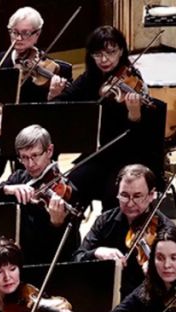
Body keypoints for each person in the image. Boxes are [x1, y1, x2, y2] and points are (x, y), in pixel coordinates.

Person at [57, 26, 167, 211]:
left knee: (114, 193)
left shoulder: (133, 81)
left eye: (111, 52)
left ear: (121, 51)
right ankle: (71, 227)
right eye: (98, 54)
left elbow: (143, 142)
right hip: (103, 154)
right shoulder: (90, 79)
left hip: (131, 157)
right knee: (71, 185)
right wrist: (54, 93)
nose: (104, 59)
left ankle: (111, 228)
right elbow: (63, 103)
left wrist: (134, 116)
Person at [0, 124, 83, 265]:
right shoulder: (18, 178)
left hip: (45, 264)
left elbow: (70, 249)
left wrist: (56, 225)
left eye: (35, 156)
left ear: (49, 151)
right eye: (24, 157)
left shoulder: (67, 190)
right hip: (15, 260)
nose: (30, 164)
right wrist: (6, 190)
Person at [73, 164, 172, 298]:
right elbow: (77, 259)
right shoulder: (105, 221)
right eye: (124, 195)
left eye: (137, 196)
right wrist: (96, 252)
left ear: (151, 195)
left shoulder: (166, 229)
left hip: (147, 300)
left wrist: (161, 271)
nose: (130, 203)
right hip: (105, 296)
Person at [0, 7, 72, 104]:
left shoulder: (61, 70)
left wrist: (52, 97)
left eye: (25, 33)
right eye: (14, 32)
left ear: (37, 34)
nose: (18, 38)